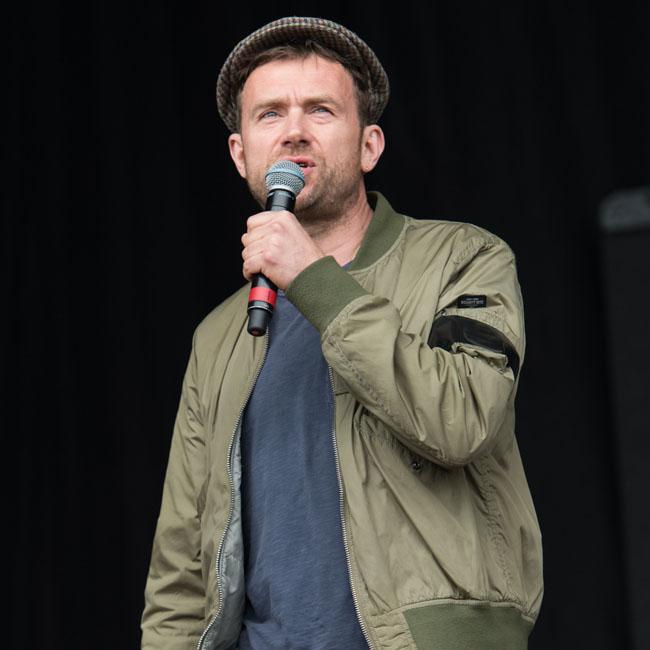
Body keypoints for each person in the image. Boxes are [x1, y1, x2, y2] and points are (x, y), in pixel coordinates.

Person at [141, 16, 543, 650]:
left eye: (321, 110)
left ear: (369, 146)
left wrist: (313, 279)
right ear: (241, 154)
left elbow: (463, 419)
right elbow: (181, 564)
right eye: (270, 114)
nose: (294, 130)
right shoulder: (219, 335)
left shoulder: (462, 257)